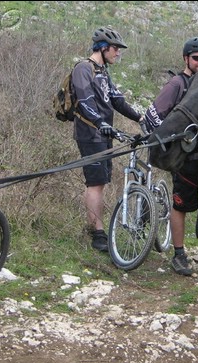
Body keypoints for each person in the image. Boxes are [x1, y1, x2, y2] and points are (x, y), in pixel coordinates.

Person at [143, 36, 198, 276]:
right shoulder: (177, 84)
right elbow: (151, 117)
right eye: (196, 58)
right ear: (186, 58)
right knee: (180, 204)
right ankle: (179, 254)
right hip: (185, 156)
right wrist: (171, 141)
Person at [72, 26, 145, 252]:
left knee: (100, 182)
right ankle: (98, 233)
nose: (118, 53)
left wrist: (140, 118)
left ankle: (93, 225)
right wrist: (101, 123)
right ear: (103, 48)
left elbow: (117, 101)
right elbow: (85, 102)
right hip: (90, 134)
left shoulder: (102, 71)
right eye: (115, 49)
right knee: (95, 184)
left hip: (104, 135)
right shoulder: (83, 69)